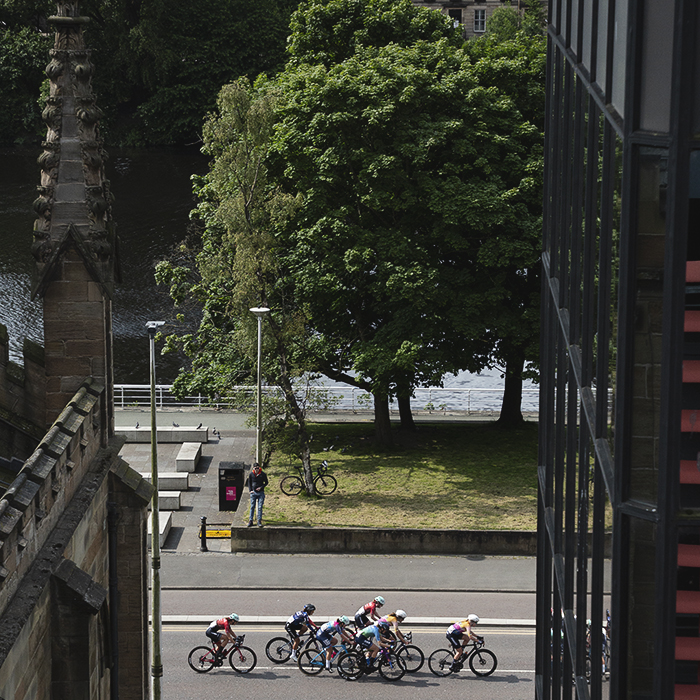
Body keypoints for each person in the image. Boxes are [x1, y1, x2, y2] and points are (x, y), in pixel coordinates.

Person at [247, 462, 268, 527]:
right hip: (253, 492)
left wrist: (261, 487)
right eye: (255, 468)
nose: (257, 470)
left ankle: (259, 520)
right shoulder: (251, 474)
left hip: (260, 492)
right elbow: (249, 482)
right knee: (252, 506)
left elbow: (266, 482)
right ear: (253, 468)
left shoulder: (263, 474)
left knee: (260, 507)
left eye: (258, 468)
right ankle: (251, 520)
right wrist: (250, 490)